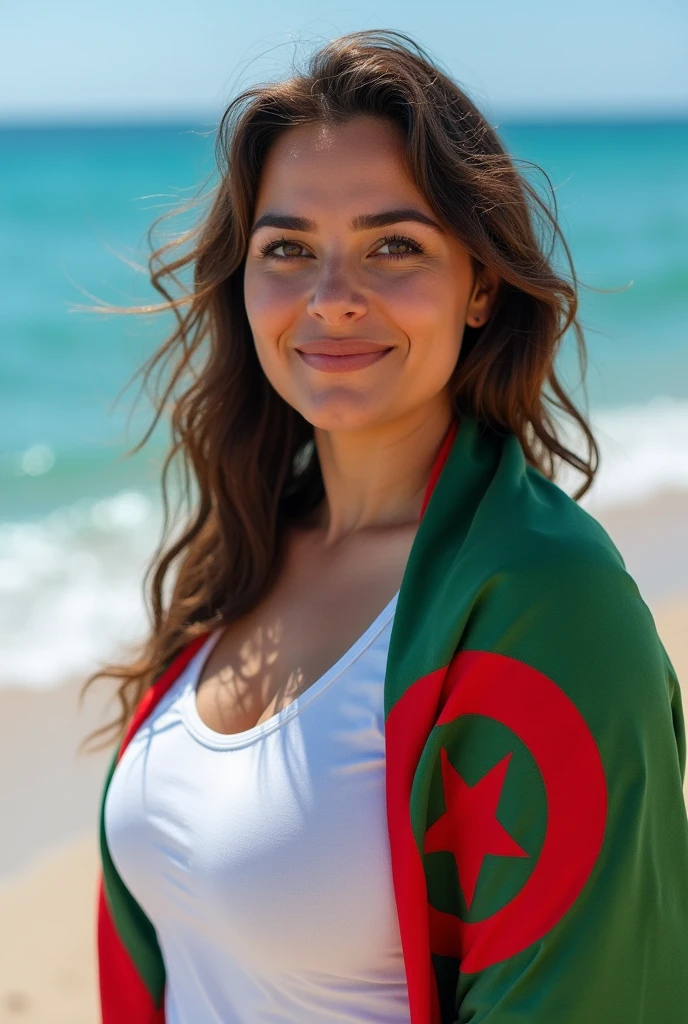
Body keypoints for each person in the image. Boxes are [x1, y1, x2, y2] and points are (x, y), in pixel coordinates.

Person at [87, 29, 688, 1024]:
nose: (330, 300)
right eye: (287, 249)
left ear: (480, 285)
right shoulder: (242, 550)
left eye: (392, 246)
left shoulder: (548, 601)